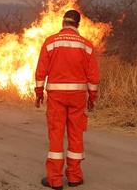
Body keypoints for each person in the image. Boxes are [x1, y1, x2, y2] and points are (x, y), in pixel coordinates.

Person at [35, 10, 100, 190]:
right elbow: (93, 76)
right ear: (78, 25)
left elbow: (41, 71)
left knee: (56, 135)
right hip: (78, 98)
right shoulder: (87, 45)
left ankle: (55, 180)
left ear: (63, 23)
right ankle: (74, 177)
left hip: (56, 97)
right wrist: (92, 98)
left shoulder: (50, 42)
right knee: (76, 135)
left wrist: (39, 93)